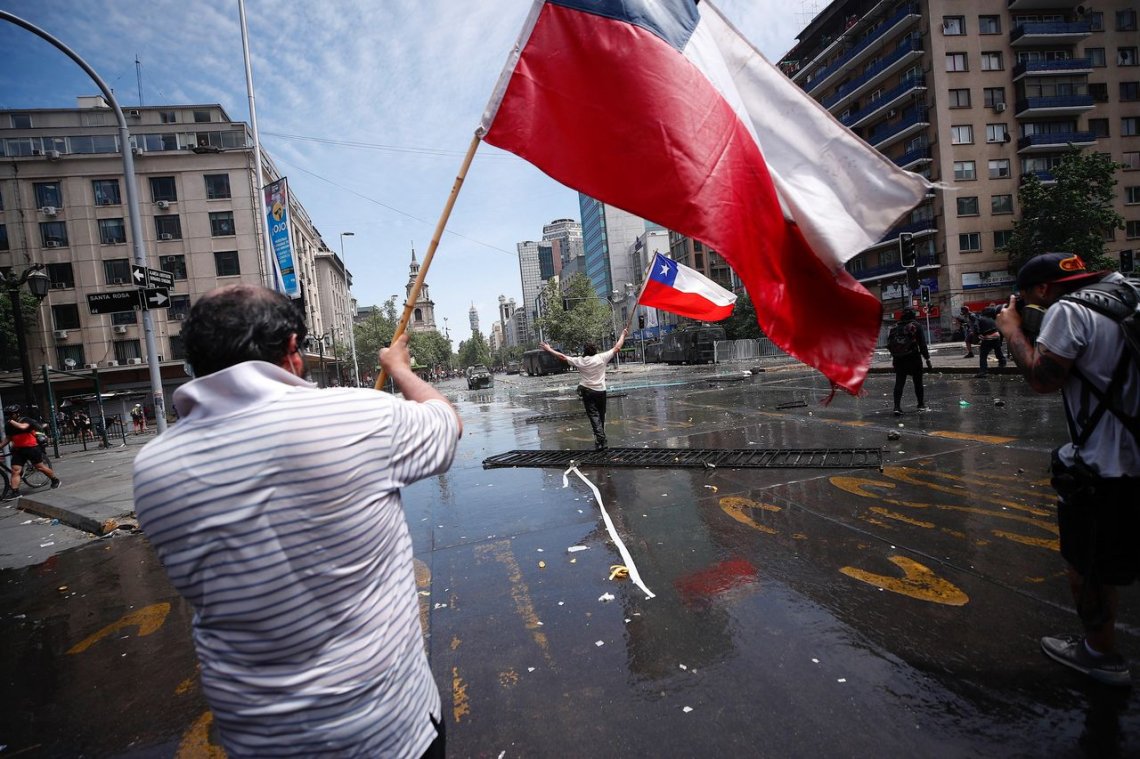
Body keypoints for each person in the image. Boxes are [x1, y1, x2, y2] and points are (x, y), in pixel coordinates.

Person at [133, 285, 462, 757]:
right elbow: (446, 422)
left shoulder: (153, 468)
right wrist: (400, 370)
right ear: (291, 348)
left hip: (261, 741)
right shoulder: (354, 415)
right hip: (388, 732)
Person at [996, 252, 1140, 687]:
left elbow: (1043, 378)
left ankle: (1099, 653)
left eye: (1025, 298)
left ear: (1042, 290)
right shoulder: (1132, 291)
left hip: (1109, 466)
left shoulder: (1068, 310)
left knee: (1088, 566)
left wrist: (1012, 331)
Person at [541, 328, 627, 449]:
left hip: (588, 392)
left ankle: (600, 438)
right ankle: (601, 439)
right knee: (601, 416)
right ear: (595, 350)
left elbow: (562, 357)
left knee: (593, 415)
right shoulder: (602, 358)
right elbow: (617, 347)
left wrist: (549, 349)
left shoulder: (580, 361)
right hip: (601, 391)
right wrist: (623, 334)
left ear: (584, 351)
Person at [2, 403, 61, 500]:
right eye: (8, 414)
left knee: (40, 467)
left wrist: (11, 421)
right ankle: (15, 492)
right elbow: (8, 438)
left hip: (31, 448)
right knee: (15, 471)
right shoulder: (8, 425)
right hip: (18, 450)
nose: (9, 416)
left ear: (17, 413)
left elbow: (23, 427)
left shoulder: (25, 420)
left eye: (11, 414)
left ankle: (55, 480)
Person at [887, 308, 932, 415]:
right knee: (918, 382)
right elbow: (922, 345)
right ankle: (920, 404)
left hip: (898, 359)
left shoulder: (895, 327)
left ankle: (897, 407)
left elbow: (890, 344)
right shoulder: (916, 326)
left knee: (899, 382)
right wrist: (927, 359)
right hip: (913, 358)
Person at [973, 306, 1007, 377]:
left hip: (988, 337)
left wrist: (979, 334)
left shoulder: (979, 318)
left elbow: (976, 327)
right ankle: (1002, 362)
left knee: (983, 355)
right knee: (998, 351)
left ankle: (983, 371)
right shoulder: (992, 319)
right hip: (997, 336)